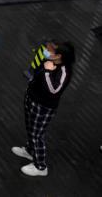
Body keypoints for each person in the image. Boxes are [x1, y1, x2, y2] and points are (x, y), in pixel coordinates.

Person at [13, 41, 75, 177]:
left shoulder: (64, 71)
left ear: (59, 56)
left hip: (44, 106)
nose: (48, 52)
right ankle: (30, 151)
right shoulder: (49, 59)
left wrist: (47, 71)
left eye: (52, 51)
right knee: (30, 127)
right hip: (32, 98)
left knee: (37, 134)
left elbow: (54, 90)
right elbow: (36, 72)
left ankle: (40, 166)